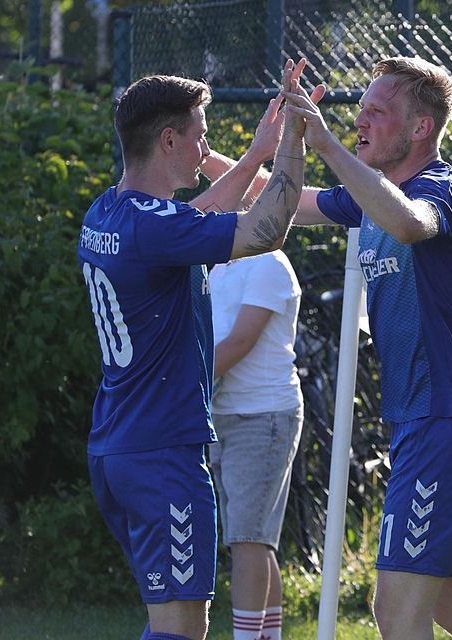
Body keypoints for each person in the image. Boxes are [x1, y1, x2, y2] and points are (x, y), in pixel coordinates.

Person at [213, 56, 452, 640]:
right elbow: (286, 198)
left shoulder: (443, 189)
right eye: (359, 110)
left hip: (446, 420)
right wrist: (243, 152)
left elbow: (411, 223)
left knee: (396, 612)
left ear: (420, 129)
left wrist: (330, 146)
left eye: (377, 113)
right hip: (426, 422)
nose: (361, 121)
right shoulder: (368, 195)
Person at [76, 59, 310, 640]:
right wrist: (293, 144)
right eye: (201, 135)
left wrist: (255, 155)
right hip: (163, 450)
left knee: (175, 621)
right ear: (169, 139)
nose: (207, 147)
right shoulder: (154, 227)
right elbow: (266, 230)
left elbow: (194, 218)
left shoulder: (110, 211)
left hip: (120, 444)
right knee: (182, 627)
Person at [207, 248, 303, 640]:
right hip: (223, 413)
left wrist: (177, 384)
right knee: (252, 540)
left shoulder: (269, 263)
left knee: (248, 539)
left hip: (264, 416)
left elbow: (241, 341)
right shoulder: (217, 266)